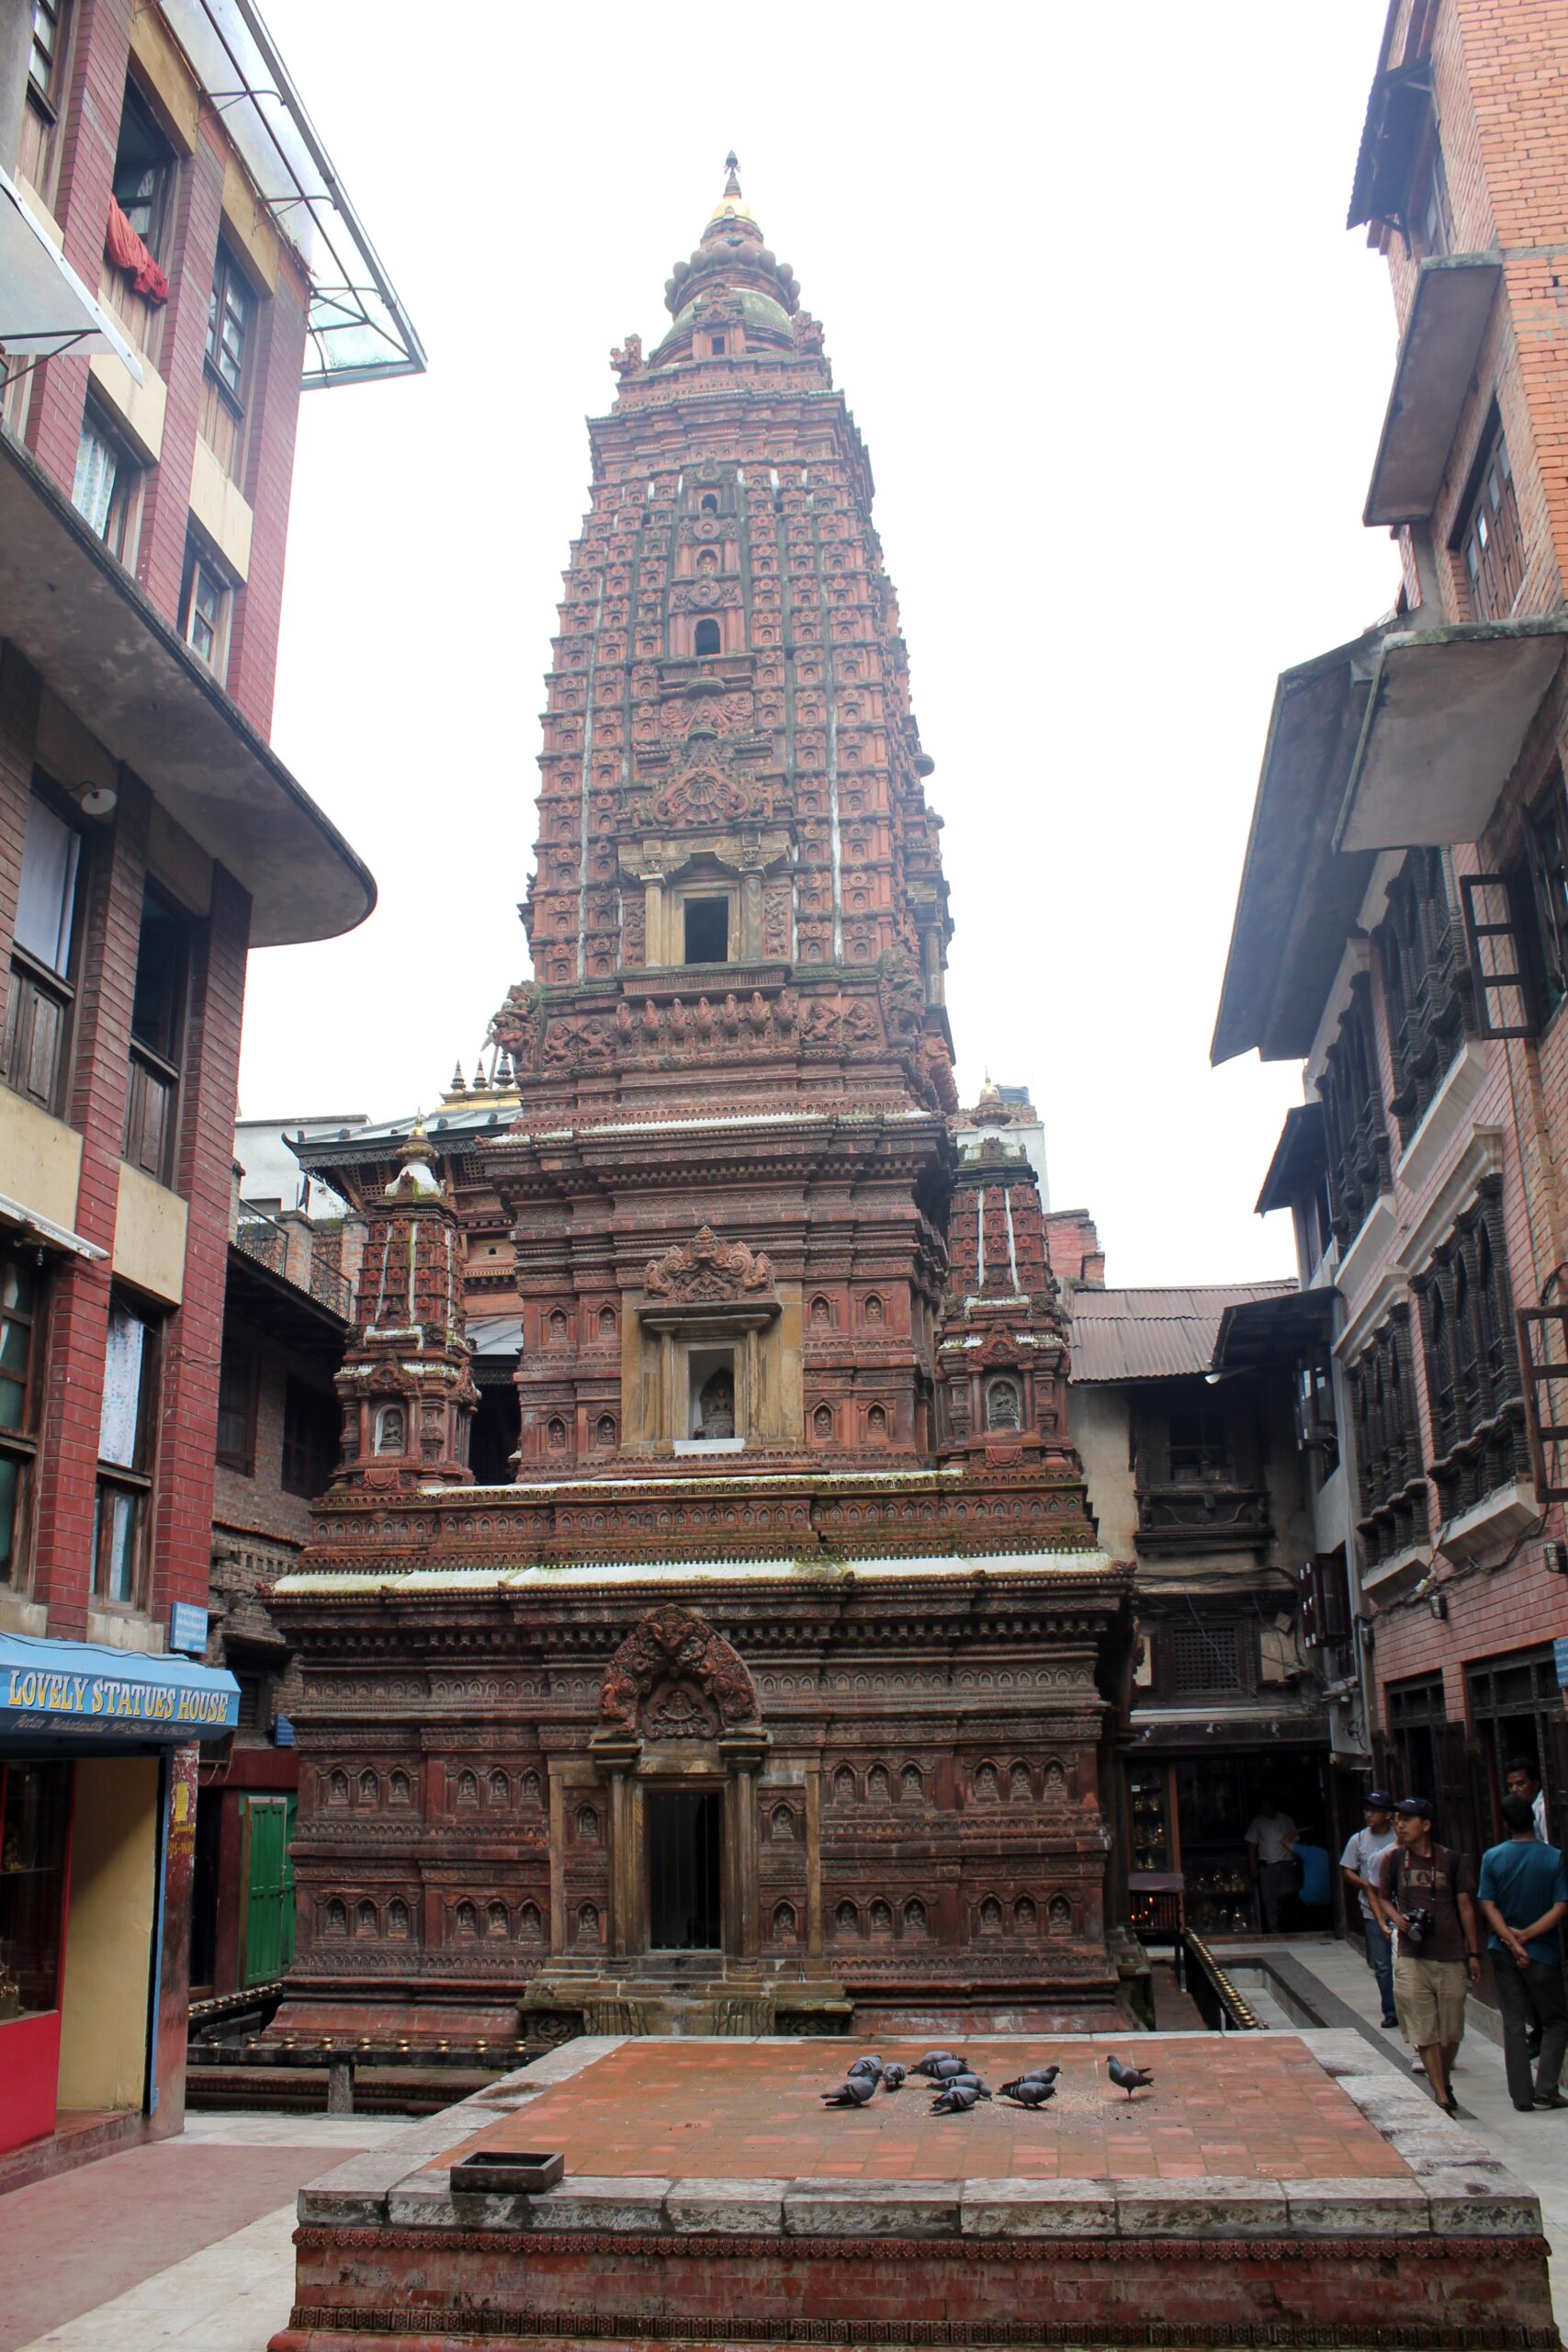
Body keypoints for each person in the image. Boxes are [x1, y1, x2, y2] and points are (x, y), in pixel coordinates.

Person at [1370, 1795, 1482, 2117]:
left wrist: (1473, 1952)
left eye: (1407, 1820)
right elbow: (1382, 1896)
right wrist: (1397, 1919)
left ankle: (1443, 2079)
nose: (1400, 1826)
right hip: (1411, 1954)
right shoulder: (1392, 1861)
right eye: (1398, 1820)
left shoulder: (1452, 1861)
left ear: (1427, 1825)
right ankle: (1441, 2094)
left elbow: (1465, 1907)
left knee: (1450, 2030)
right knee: (1422, 2028)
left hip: (1448, 1953)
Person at [1477, 1792, 1568, 2113]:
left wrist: (1513, 1943)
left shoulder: (1493, 1857)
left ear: (1505, 1823)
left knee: (1513, 2023)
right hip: (1541, 1950)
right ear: (1532, 1819)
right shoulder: (1553, 1858)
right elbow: (1560, 1907)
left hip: (1502, 1951)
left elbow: (1488, 1905)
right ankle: (1547, 2088)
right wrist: (1527, 1937)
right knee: (1556, 2019)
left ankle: (1521, 2095)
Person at [1341, 1790, 1400, 2028]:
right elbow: (1348, 1870)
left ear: (1387, 1815)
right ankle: (1390, 2010)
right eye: (1367, 1810)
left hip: (1400, 1907)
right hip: (1371, 1909)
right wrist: (1365, 1885)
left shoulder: (1399, 1837)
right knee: (1382, 1964)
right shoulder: (1359, 1839)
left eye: (1374, 1810)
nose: (1368, 1815)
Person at [1245, 1794, 1299, 1933]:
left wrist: (1295, 1861)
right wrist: (1253, 1868)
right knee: (1270, 1901)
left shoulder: (1286, 1819)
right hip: (1267, 1866)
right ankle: (1275, 1931)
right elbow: (1252, 1846)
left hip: (1286, 1864)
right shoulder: (1257, 1822)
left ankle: (1289, 1928)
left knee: (1288, 1898)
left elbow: (1294, 1842)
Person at [1504, 1758, 1549, 1843]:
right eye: (1510, 1785)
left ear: (1535, 1784)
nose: (1514, 1789)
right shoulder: (1523, 1807)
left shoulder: (1543, 1808)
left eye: (1520, 1784)